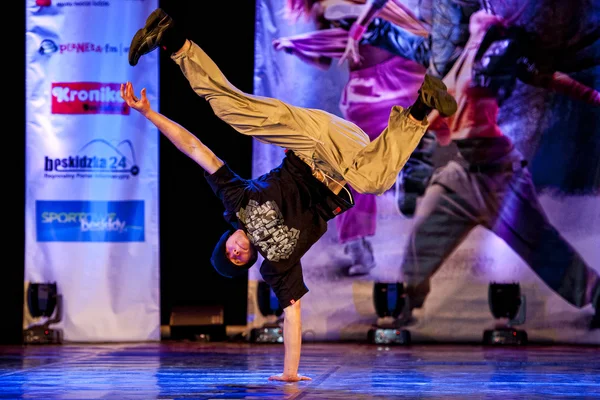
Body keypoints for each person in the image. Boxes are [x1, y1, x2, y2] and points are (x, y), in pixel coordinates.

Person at [125, 8, 457, 381]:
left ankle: (171, 40)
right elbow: (293, 314)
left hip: (306, 140)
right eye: (237, 261)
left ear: (228, 237)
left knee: (231, 109)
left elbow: (196, 149)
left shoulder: (236, 200)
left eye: (228, 251)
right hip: (342, 161)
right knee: (374, 181)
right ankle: (423, 106)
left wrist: (150, 115)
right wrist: (289, 373)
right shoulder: (276, 265)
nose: (236, 253)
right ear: (248, 261)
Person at [396, 9, 600, 329]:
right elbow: (441, 112)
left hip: (500, 176)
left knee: (542, 246)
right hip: (462, 173)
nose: (477, 21)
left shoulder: (499, 59)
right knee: (423, 237)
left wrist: (593, 95)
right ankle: (403, 304)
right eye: (475, 20)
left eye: (483, 21)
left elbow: (548, 78)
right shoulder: (456, 65)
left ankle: (596, 294)